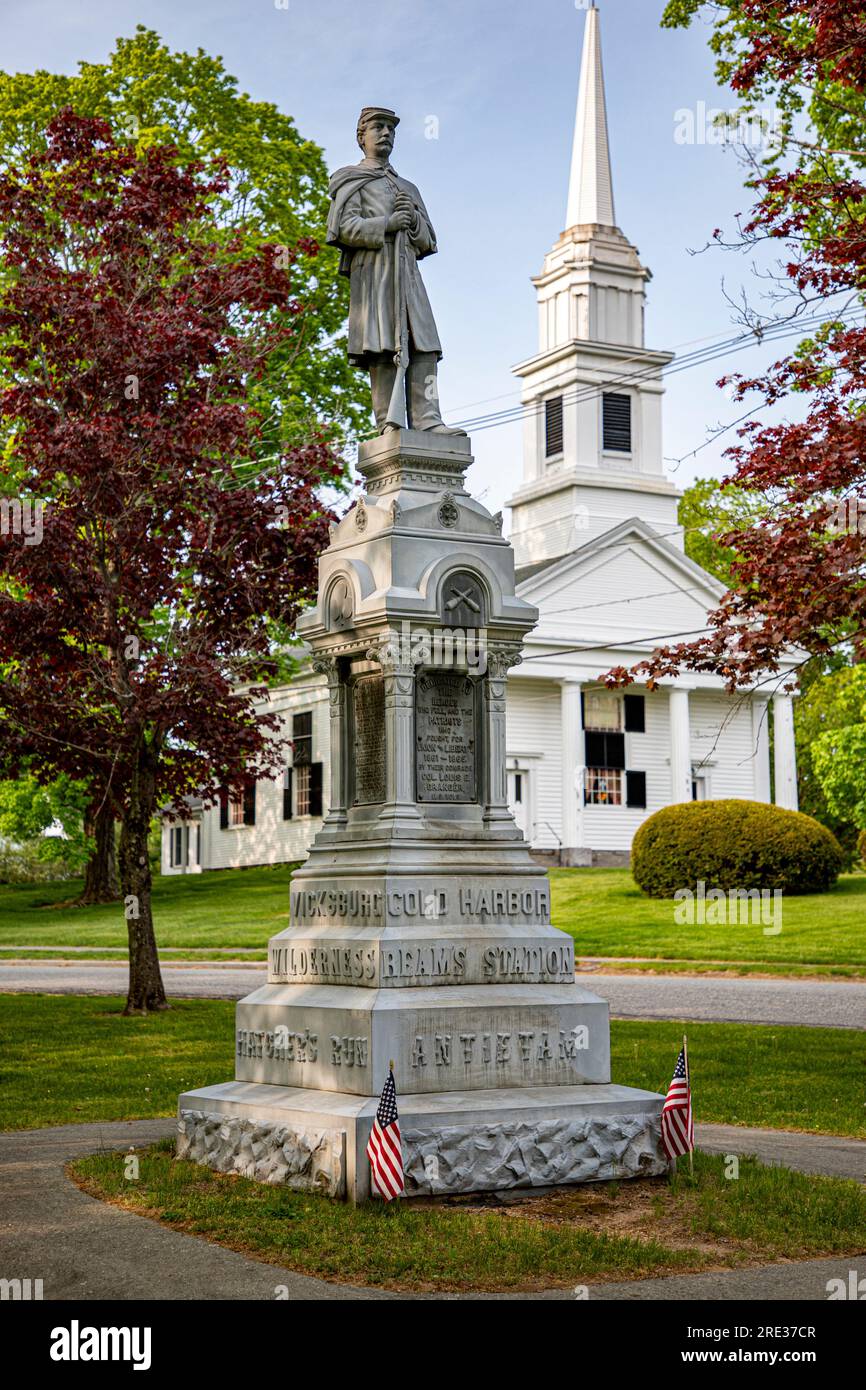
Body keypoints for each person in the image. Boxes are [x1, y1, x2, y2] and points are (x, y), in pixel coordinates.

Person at [327, 106, 465, 435]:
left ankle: (428, 420)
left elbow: (428, 239)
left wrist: (414, 220)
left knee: (423, 342)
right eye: (378, 127)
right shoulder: (351, 181)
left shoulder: (408, 188)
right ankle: (388, 423)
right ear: (362, 137)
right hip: (375, 274)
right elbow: (345, 228)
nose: (386, 133)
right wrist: (387, 224)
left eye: (390, 128)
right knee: (383, 345)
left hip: (407, 275)